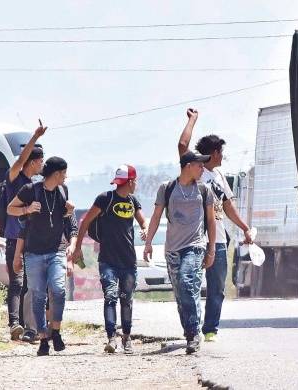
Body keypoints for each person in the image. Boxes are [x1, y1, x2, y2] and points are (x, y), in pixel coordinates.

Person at [177, 108, 253, 342]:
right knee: (189, 284)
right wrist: (193, 120)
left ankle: (210, 328)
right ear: (213, 153)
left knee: (217, 287)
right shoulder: (196, 171)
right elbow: (182, 145)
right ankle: (191, 326)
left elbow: (228, 206)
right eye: (220, 152)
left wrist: (244, 227)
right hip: (196, 239)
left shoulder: (219, 176)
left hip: (218, 238)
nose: (222, 156)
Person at [144, 146, 216, 354]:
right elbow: (156, 216)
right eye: (200, 165)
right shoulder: (167, 188)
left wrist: (211, 249)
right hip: (172, 250)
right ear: (188, 166)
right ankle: (190, 331)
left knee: (187, 282)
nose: (203, 168)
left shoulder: (204, 190)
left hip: (195, 246)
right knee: (182, 292)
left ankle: (194, 333)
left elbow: (210, 221)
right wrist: (148, 242)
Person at [72, 164, 148, 354]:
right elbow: (86, 221)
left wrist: (145, 229)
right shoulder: (105, 199)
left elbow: (143, 221)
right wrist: (78, 247)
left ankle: (127, 338)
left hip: (129, 261)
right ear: (130, 181)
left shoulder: (133, 201)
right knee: (110, 297)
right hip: (107, 260)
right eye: (135, 181)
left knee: (126, 299)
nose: (136, 184)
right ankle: (111, 338)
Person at [7, 156, 76, 356]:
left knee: (59, 290)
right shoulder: (31, 190)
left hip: (56, 251)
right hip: (33, 253)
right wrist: (27, 209)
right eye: (64, 173)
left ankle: (56, 330)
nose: (66, 176)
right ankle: (44, 339)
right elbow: (11, 209)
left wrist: (68, 212)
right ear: (57, 173)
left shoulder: (63, 191)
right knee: (38, 296)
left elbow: (64, 219)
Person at [3, 121, 46, 340]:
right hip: (13, 238)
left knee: (30, 284)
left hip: (31, 241)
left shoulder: (35, 185)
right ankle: (13, 324)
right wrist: (35, 137)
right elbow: (20, 160)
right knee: (17, 282)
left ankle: (27, 328)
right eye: (40, 160)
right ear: (32, 161)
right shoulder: (15, 178)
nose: (42, 164)